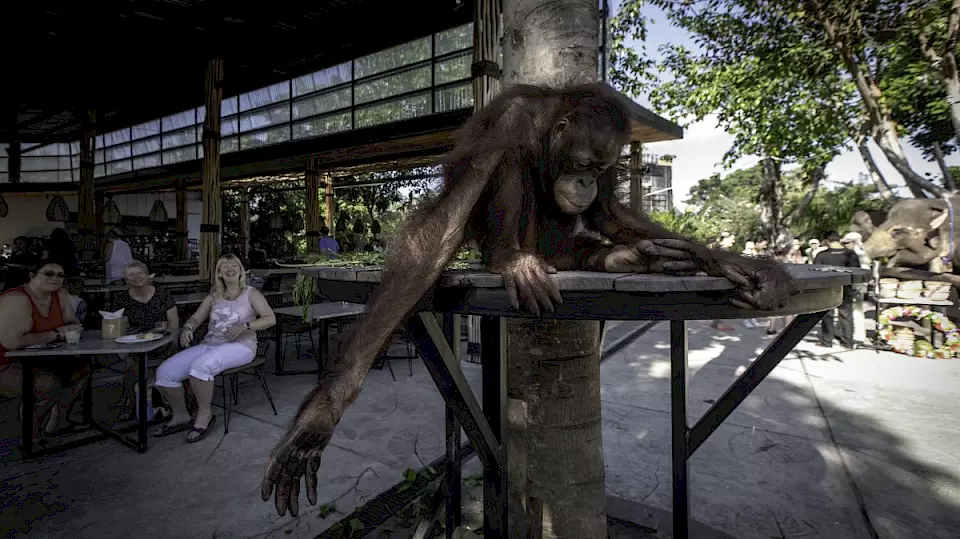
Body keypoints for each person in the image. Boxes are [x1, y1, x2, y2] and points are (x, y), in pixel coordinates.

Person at [152, 254, 276, 442]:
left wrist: (245, 326)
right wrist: (188, 328)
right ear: (219, 273)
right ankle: (181, 416)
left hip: (241, 347)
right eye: (224, 266)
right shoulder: (214, 296)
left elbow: (270, 318)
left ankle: (204, 415)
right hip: (210, 345)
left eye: (234, 265)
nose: (230, 268)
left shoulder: (251, 293)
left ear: (241, 270)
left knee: (200, 367)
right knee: (165, 372)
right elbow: (196, 317)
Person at [0, 260, 90, 441]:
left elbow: (72, 323)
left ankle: (59, 421)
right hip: (7, 362)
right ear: (32, 275)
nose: (55, 278)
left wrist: (70, 329)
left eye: (60, 275)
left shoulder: (61, 294)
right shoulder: (16, 299)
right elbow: (13, 342)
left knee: (83, 370)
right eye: (48, 274)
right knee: (47, 385)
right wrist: (57, 333)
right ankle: (31, 435)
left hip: (46, 356)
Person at [109, 261, 180, 421]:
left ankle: (168, 401)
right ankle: (130, 403)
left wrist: (171, 340)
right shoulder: (122, 299)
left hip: (163, 341)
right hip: (136, 342)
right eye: (131, 275)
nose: (136, 277)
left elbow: (174, 323)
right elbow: (119, 326)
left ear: (148, 275)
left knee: (172, 362)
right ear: (126, 280)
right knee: (132, 364)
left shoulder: (162, 294)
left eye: (140, 273)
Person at [814, 231, 862, 348]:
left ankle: (827, 341)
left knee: (827, 314)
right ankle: (848, 342)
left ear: (826, 241)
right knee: (846, 315)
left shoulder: (822, 255)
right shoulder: (851, 254)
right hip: (846, 288)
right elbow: (857, 272)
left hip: (827, 289)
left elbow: (814, 272)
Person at [841, 232, 873, 344]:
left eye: (847, 243)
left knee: (856, 311)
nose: (845, 245)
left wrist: (859, 287)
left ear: (853, 242)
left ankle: (858, 335)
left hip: (857, 286)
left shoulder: (859, 254)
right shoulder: (856, 253)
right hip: (853, 286)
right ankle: (844, 332)